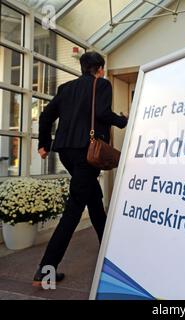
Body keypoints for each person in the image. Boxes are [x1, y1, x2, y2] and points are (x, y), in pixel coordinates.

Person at [32, 52, 128, 287]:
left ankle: (111, 248)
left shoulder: (66, 88)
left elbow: (45, 116)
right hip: (87, 152)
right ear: (100, 68)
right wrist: (123, 121)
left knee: (94, 199)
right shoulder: (101, 84)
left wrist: (44, 144)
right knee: (73, 210)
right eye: (102, 69)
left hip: (66, 152)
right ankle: (45, 270)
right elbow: (103, 113)